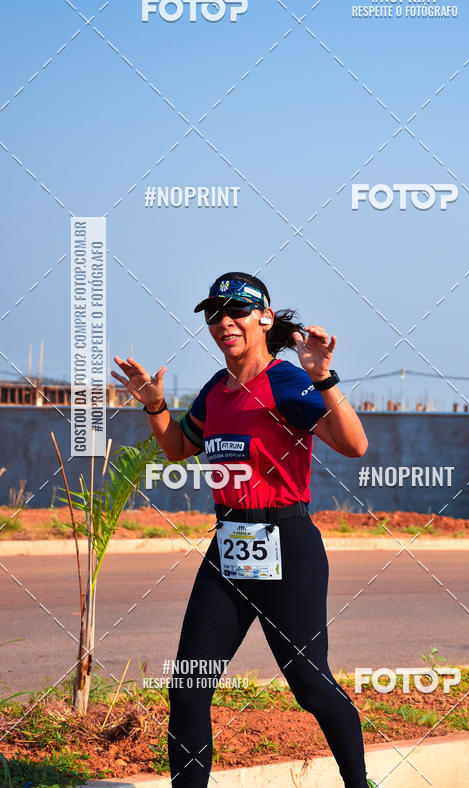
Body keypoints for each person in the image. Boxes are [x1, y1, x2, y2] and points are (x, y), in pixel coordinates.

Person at [111, 271, 379, 788]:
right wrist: (153, 403)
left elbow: (355, 445)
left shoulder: (287, 381)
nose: (224, 322)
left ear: (265, 318)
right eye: (215, 313)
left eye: (236, 310)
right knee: (189, 685)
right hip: (230, 544)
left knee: (310, 685)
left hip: (289, 543)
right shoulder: (216, 389)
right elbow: (177, 449)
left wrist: (323, 376)